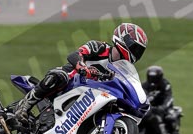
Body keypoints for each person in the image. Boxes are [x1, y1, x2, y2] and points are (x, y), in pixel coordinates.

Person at [14, 22, 148, 124]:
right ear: (124, 40)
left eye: (139, 51)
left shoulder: (123, 70)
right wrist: (83, 68)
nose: (136, 53)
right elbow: (74, 55)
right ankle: (24, 105)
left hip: (92, 95)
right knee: (60, 76)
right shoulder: (100, 47)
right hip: (72, 81)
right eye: (135, 48)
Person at [141, 65, 182, 134]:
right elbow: (140, 98)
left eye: (155, 78)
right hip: (150, 109)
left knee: (170, 118)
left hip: (163, 108)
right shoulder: (144, 86)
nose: (153, 80)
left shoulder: (165, 84)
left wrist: (163, 107)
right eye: (151, 77)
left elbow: (169, 98)